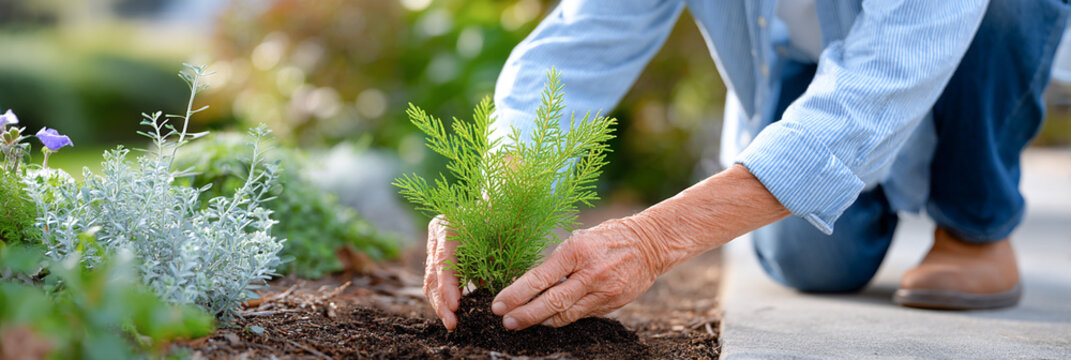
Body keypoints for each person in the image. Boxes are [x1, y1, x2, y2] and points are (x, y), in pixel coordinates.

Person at [422, 0, 1070, 331]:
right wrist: (505, 193)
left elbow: (890, 72)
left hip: (940, 42)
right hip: (803, 63)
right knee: (811, 264)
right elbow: (576, 49)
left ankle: (973, 219)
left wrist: (653, 239)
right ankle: (867, 178)